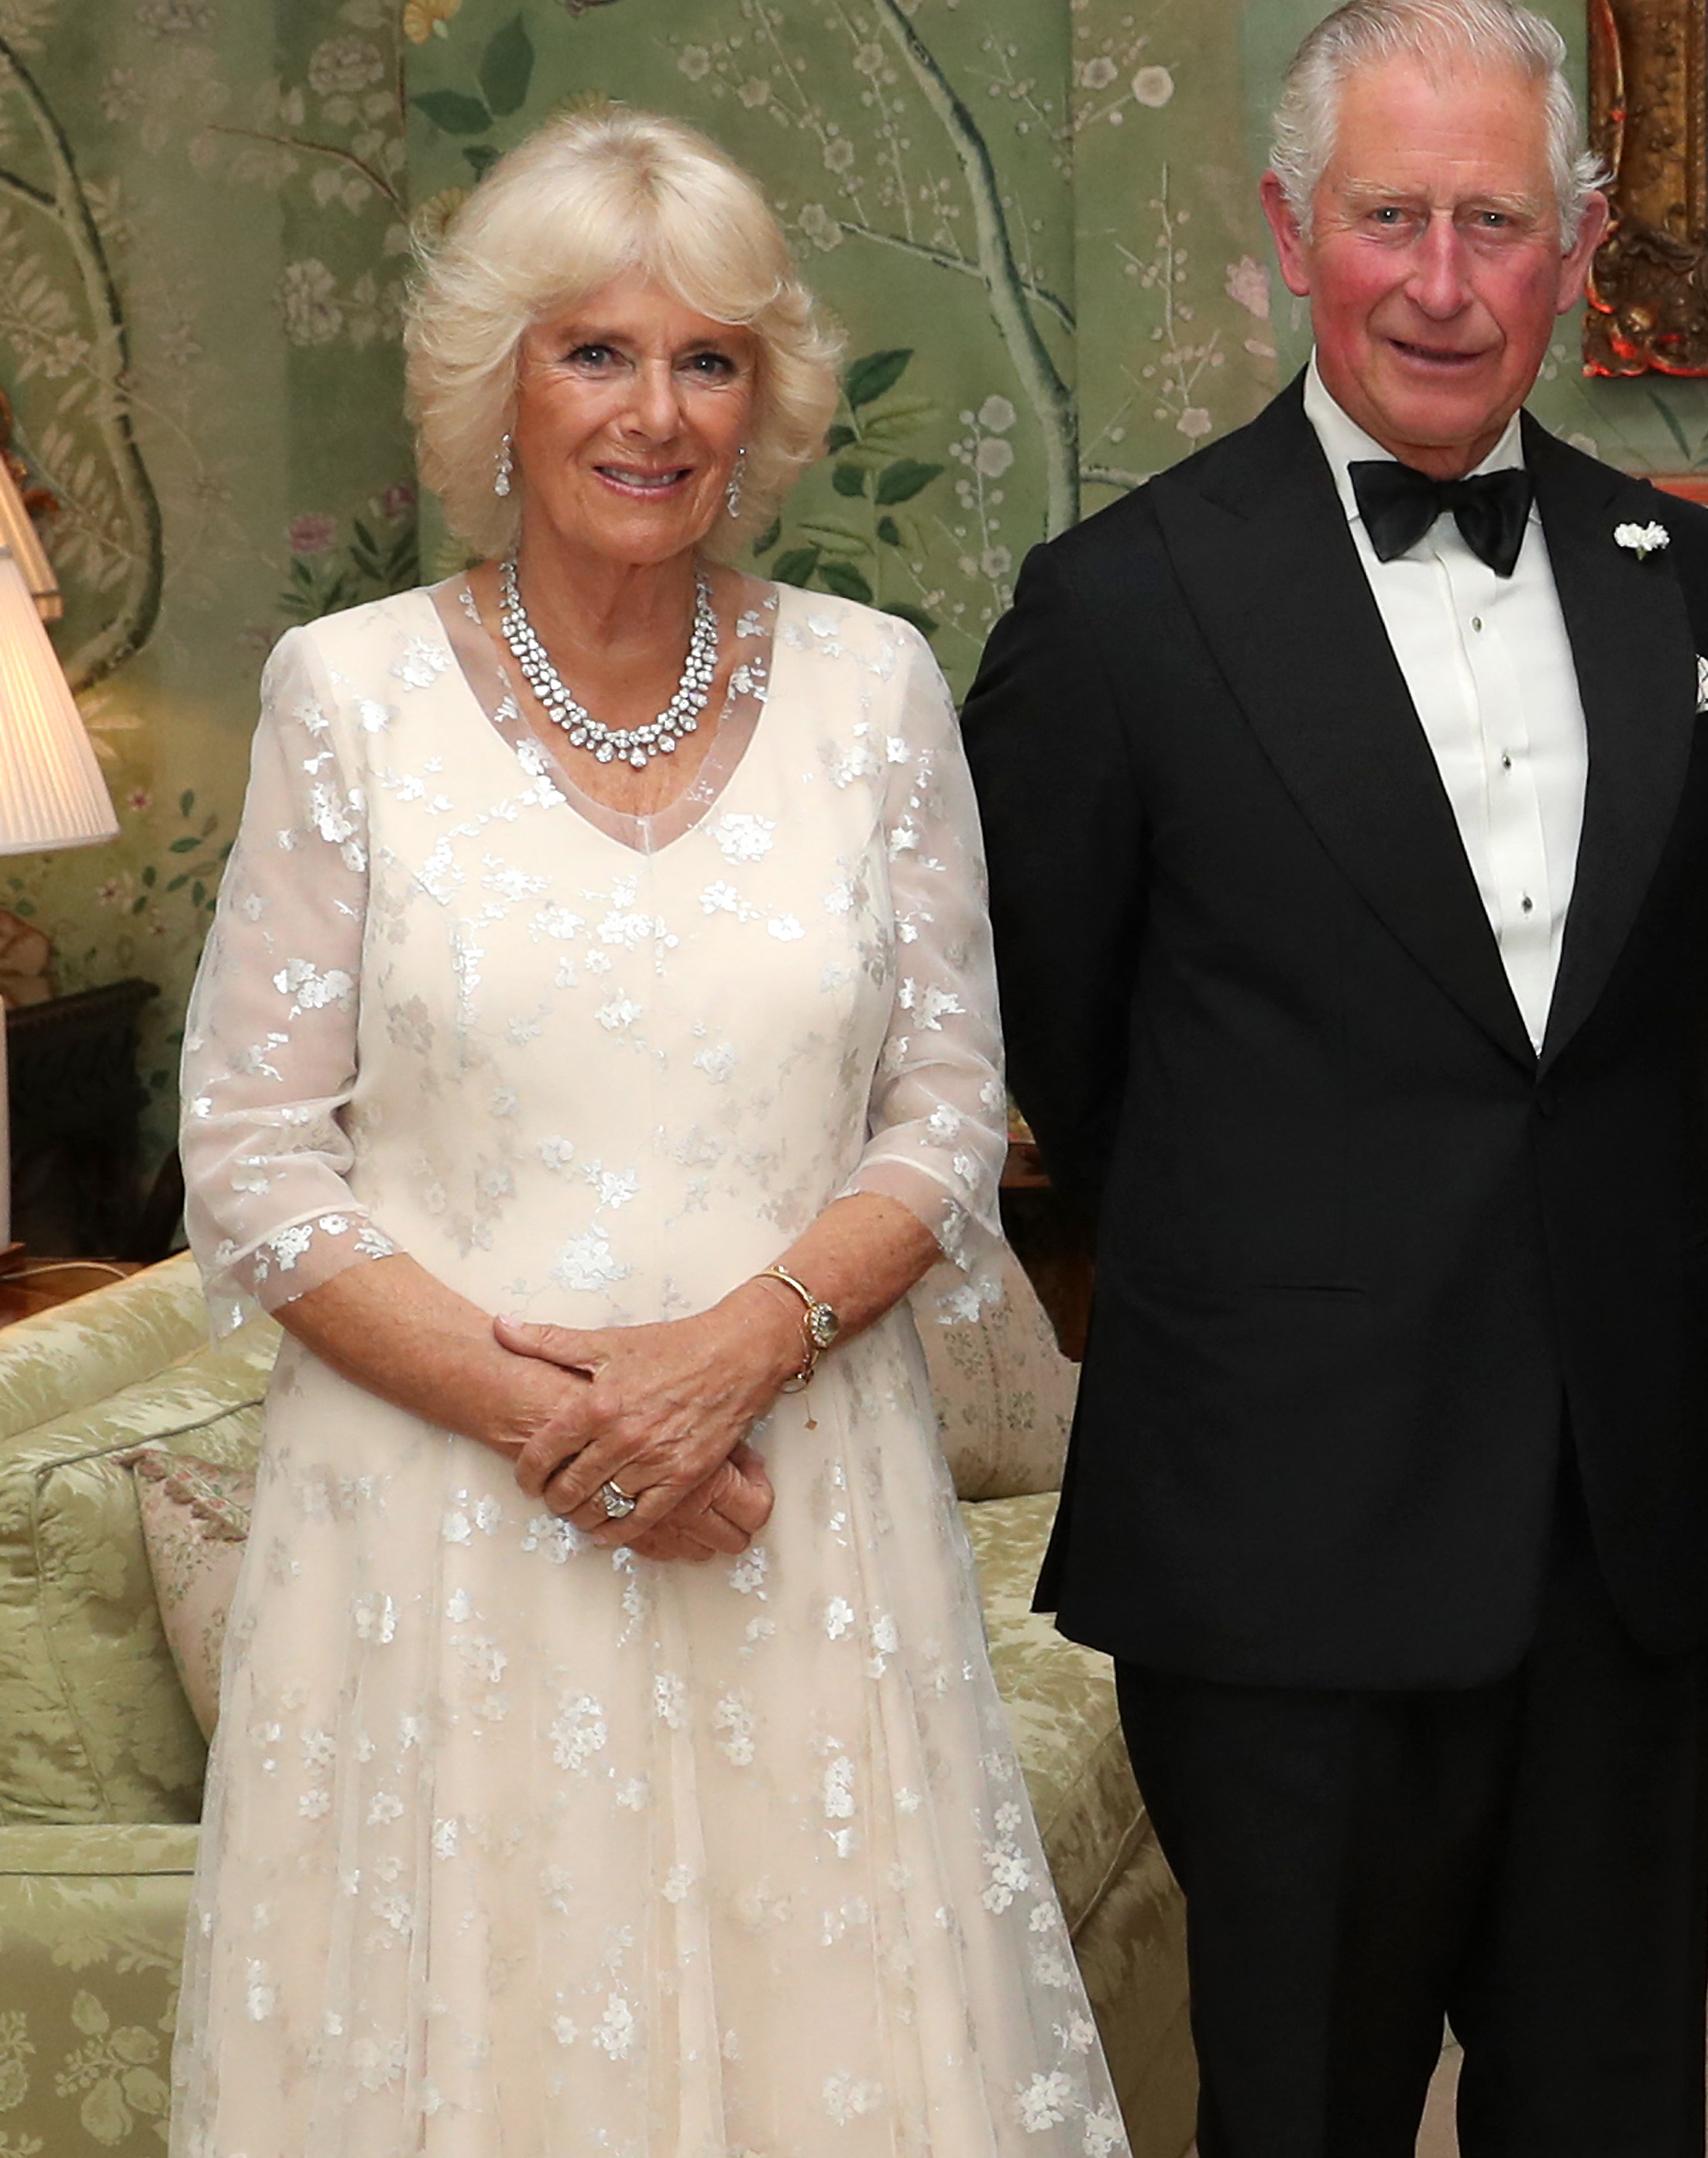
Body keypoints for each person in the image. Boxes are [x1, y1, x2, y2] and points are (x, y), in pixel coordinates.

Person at [171, 105, 1125, 2156]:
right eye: (596, 350)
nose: (657, 410)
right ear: (497, 384)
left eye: (709, 359)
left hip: (801, 1521)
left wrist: (735, 1357)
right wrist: (581, 1427)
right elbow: (250, 1154)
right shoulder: (346, 698)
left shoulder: (875, 693)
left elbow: (952, 1105)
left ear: (761, 401)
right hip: (441, 1541)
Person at [961, 0, 1708, 2158]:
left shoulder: (1685, 583)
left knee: (1606, 2114)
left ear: (1576, 251)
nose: (1441, 281)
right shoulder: (1117, 613)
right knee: (1300, 2112)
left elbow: (1654, 1034)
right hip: (1284, 1534)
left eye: (1495, 224)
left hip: (1619, 1530)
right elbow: (1079, 1058)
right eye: (1388, 217)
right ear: (1285, 228)